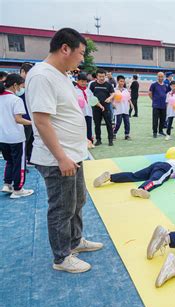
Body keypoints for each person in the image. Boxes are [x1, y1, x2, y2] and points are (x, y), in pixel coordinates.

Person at [26, 28, 103, 273]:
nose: (82, 59)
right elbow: (41, 121)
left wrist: (82, 141)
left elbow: (66, 114)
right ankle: (62, 257)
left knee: (77, 200)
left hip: (73, 152)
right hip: (58, 157)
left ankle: (75, 240)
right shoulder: (42, 76)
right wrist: (61, 157)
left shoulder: (61, 75)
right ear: (65, 49)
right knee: (62, 207)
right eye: (80, 53)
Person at [93, 151, 175, 199]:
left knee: (135, 175)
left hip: (157, 165)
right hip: (165, 168)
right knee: (156, 181)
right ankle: (142, 189)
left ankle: (111, 176)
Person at [0, 74, 34, 198]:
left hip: (2, 137)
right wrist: (33, 123)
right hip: (16, 137)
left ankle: (7, 184)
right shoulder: (16, 100)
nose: (21, 89)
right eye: (21, 86)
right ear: (15, 85)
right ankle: (18, 189)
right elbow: (18, 119)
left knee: (9, 161)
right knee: (19, 163)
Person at [89, 68, 115, 146]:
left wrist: (109, 98)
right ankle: (98, 140)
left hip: (106, 107)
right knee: (97, 124)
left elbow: (113, 93)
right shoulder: (93, 85)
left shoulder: (108, 85)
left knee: (109, 123)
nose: (102, 78)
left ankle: (110, 140)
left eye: (103, 76)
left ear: (105, 76)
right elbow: (90, 95)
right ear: (96, 76)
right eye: (100, 76)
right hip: (96, 107)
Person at [19, 62, 34, 164]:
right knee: (23, 141)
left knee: (30, 140)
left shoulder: (31, 82)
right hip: (21, 116)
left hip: (30, 116)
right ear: (23, 72)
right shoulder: (17, 83)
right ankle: (22, 162)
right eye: (28, 72)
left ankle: (30, 158)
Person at [74, 73, 94, 145]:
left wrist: (100, 105)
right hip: (79, 113)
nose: (84, 83)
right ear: (78, 81)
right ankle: (79, 143)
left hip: (88, 112)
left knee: (89, 127)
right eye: (82, 81)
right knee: (80, 127)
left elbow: (93, 99)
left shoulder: (88, 90)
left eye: (85, 81)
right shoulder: (74, 90)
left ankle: (89, 142)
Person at [113, 75, 133, 140]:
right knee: (118, 123)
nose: (122, 83)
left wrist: (131, 104)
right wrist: (112, 104)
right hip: (118, 109)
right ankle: (114, 133)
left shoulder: (125, 90)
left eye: (123, 81)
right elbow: (111, 98)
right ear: (117, 81)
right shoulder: (114, 90)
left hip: (125, 109)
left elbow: (128, 98)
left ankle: (127, 135)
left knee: (127, 122)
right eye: (121, 81)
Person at [149, 72, 168, 138]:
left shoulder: (165, 85)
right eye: (159, 76)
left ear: (164, 77)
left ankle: (160, 130)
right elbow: (150, 93)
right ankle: (154, 132)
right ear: (157, 77)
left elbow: (167, 94)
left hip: (163, 105)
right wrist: (154, 100)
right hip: (156, 105)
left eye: (162, 76)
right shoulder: (154, 85)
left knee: (162, 119)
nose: (160, 78)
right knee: (155, 119)